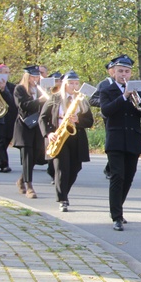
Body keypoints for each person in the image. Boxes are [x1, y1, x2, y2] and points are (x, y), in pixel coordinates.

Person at [99, 55, 141, 231]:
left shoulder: (138, 92)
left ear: (130, 74)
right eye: (120, 71)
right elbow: (106, 111)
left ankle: (117, 207)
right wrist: (123, 97)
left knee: (129, 177)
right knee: (117, 176)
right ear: (114, 72)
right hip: (115, 139)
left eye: (127, 72)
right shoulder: (107, 90)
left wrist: (137, 102)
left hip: (133, 139)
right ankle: (117, 216)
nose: (124, 74)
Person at [40, 71, 94, 211]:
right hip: (59, 136)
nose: (74, 86)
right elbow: (43, 118)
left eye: (76, 83)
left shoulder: (81, 99)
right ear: (65, 84)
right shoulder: (55, 98)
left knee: (76, 168)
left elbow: (89, 121)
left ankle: (65, 193)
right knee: (61, 168)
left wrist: (78, 120)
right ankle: (62, 199)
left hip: (76, 137)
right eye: (71, 83)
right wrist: (48, 134)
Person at [12, 65, 47, 198]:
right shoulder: (20, 89)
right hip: (24, 126)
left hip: (37, 126)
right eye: (33, 76)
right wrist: (39, 101)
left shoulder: (40, 89)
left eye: (37, 76)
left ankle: (22, 179)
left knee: (36, 155)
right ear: (27, 77)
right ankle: (29, 187)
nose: (35, 79)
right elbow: (23, 106)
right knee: (27, 155)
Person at [0, 63, 16, 173]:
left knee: (4, 141)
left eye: (7, 73)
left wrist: (4, 89)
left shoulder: (12, 87)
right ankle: (4, 164)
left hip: (9, 118)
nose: (5, 75)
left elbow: (12, 102)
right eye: (3, 72)